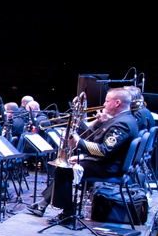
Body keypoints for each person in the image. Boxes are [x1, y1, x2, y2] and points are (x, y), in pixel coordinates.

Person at [28, 87, 139, 223]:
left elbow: (105, 150)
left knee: (64, 170)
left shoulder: (122, 124)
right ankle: (45, 204)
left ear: (117, 103)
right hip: (106, 162)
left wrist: (79, 143)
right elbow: (103, 145)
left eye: (107, 101)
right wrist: (83, 156)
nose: (104, 104)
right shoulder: (122, 119)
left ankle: (67, 213)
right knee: (66, 166)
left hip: (108, 167)